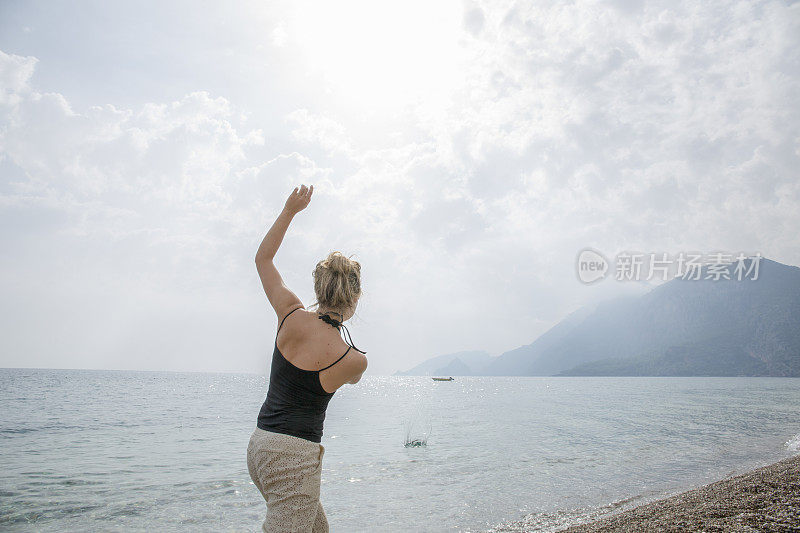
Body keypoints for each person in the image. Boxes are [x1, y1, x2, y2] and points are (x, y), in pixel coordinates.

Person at [247, 184, 368, 533]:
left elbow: (263, 259)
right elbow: (352, 374)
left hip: (260, 447)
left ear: (318, 289)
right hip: (292, 459)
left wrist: (289, 210)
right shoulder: (353, 360)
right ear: (355, 296)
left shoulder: (288, 313)